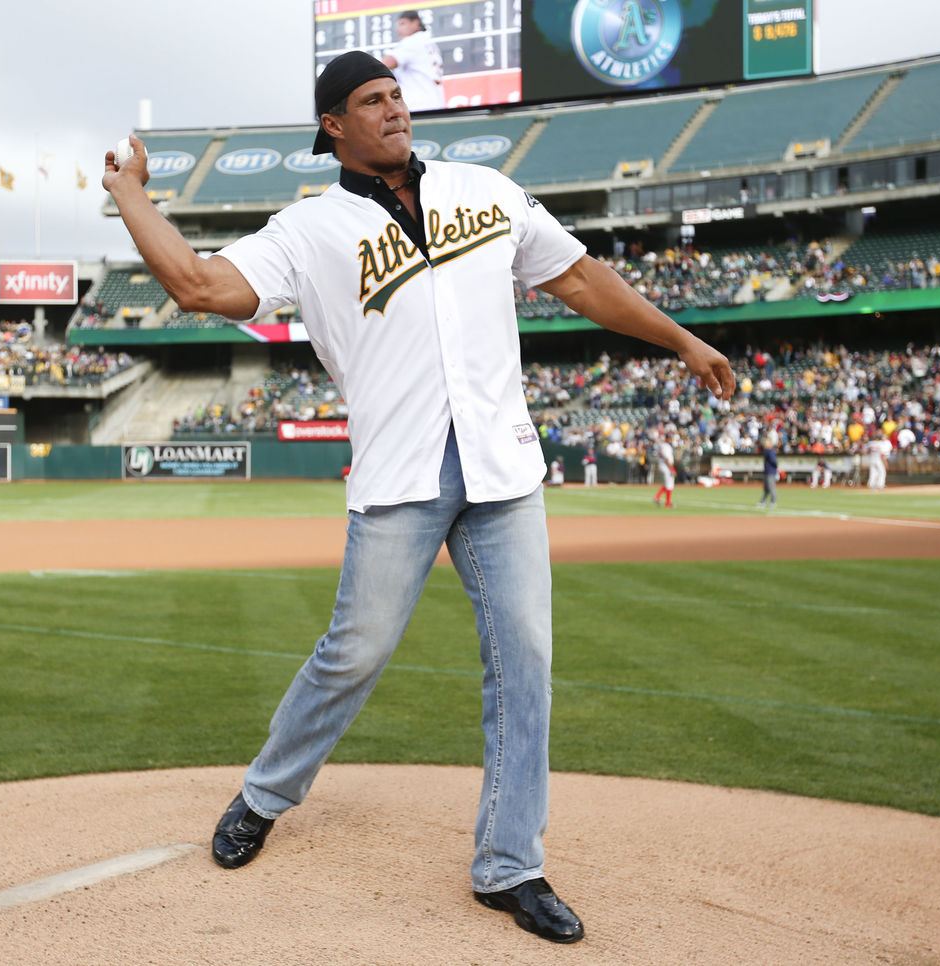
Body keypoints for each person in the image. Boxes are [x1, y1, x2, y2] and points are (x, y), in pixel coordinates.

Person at [102, 50, 735, 946]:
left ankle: (510, 866)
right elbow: (201, 284)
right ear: (334, 126)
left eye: (398, 96)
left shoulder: (487, 190)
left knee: (526, 659)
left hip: (502, 466)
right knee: (353, 653)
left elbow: (583, 279)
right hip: (402, 471)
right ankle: (264, 795)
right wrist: (130, 193)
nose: (395, 110)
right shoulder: (308, 229)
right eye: (371, 100)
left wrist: (683, 341)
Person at [381, 10, 445, 112]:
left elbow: (385, 64)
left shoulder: (413, 41)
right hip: (437, 105)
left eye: (403, 23)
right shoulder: (429, 43)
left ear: (415, 23)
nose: (398, 29)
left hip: (418, 107)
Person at [653, 431, 675, 508]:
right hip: (666, 466)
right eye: (670, 438)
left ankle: (657, 497)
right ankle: (667, 503)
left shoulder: (662, 445)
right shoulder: (666, 446)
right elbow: (667, 458)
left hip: (663, 466)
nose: (671, 439)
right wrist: (672, 469)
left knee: (667, 484)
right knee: (670, 485)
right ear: (668, 438)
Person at [758, 434, 779, 507]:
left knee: (771, 487)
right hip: (767, 471)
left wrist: (775, 468)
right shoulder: (766, 451)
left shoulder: (771, 451)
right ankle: (763, 501)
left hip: (771, 472)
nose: (765, 443)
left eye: (767, 442)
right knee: (766, 488)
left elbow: (774, 462)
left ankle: (773, 501)